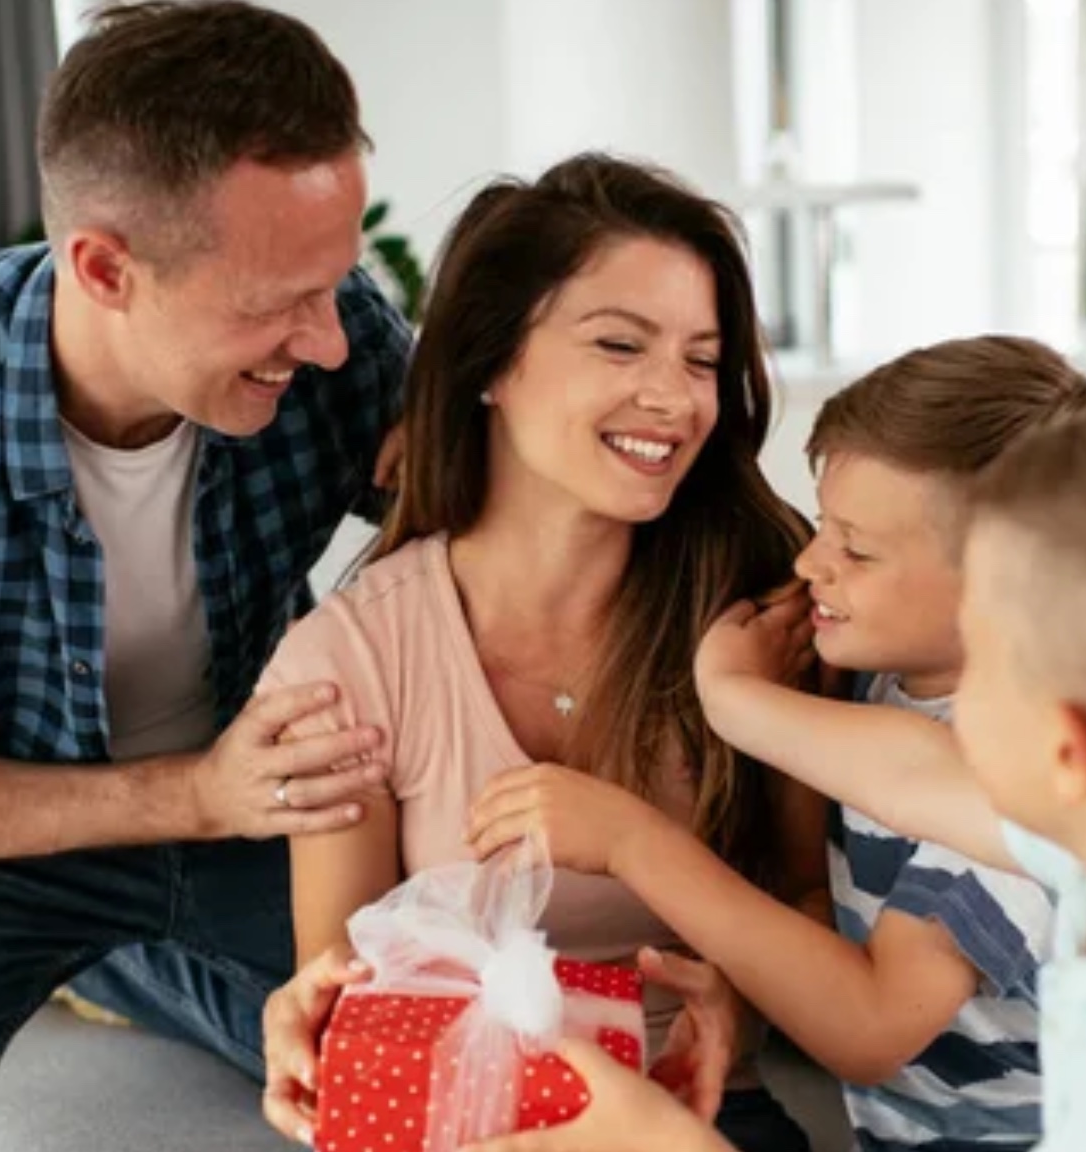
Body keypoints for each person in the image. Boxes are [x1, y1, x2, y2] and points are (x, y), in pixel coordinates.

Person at [469, 398, 1086, 1152]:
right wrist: (734, 702)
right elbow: (915, 773)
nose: (946, 709)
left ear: (1067, 751)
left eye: (983, 660)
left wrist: (665, 1142)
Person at [0, 5, 409, 1149]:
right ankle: (112, 946)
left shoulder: (332, 330)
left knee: (406, 1075)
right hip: (0, 843)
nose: (330, 343)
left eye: (332, 284)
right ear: (104, 267)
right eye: (270, 305)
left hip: (263, 821)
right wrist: (193, 793)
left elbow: (480, 530)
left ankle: (129, 962)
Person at [254, 154, 828, 1152]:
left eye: (700, 360)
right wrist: (306, 1010)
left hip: (695, 1110)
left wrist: (742, 1002)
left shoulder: (756, 606)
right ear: (488, 363)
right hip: (463, 1112)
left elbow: (809, 892)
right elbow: (350, 977)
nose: (674, 398)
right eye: (619, 344)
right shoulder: (348, 657)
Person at [466, 337, 1086, 1150]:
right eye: (821, 526)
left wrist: (635, 841)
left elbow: (870, 1029)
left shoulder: (1020, 778)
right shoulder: (895, 680)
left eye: (857, 548)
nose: (811, 563)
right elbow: (814, 891)